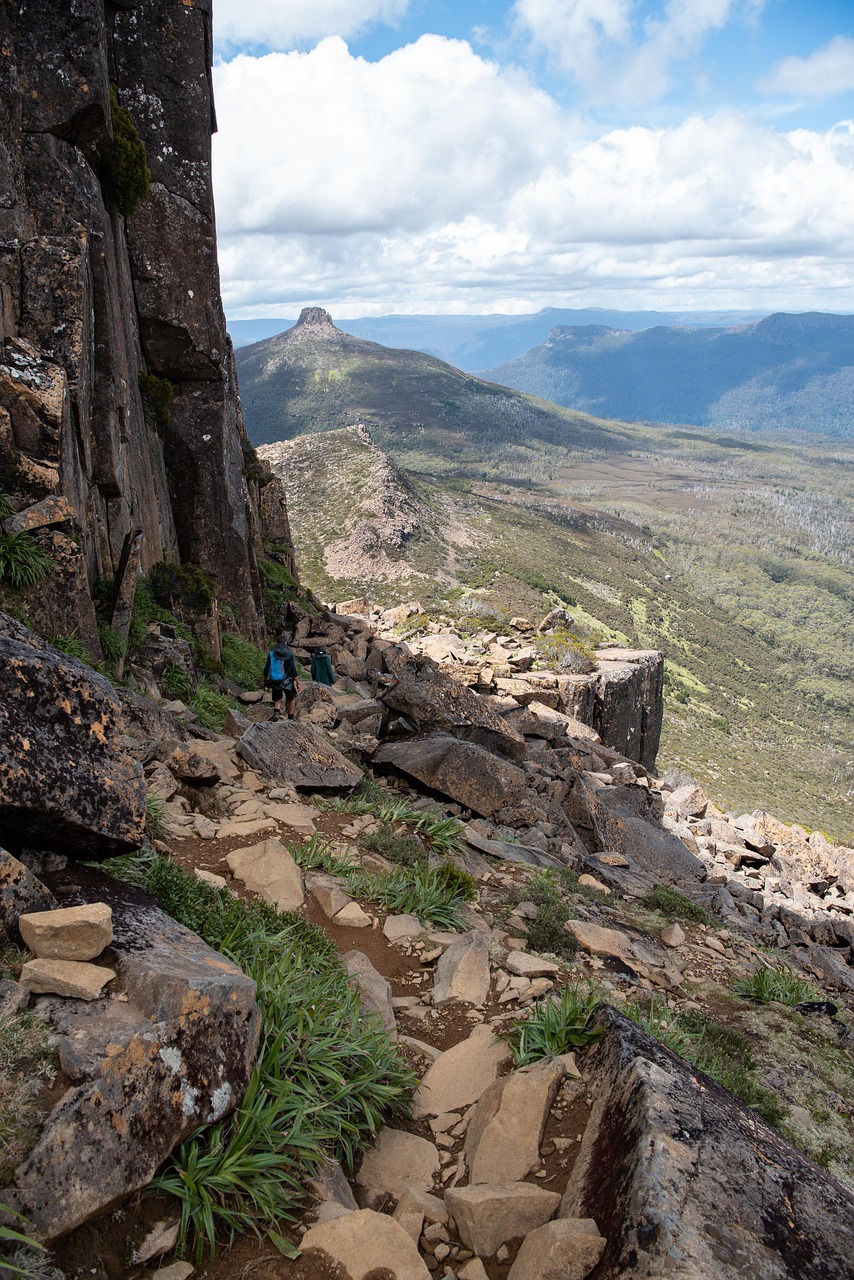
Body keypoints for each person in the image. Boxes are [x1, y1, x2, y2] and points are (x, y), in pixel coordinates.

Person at [263, 634, 299, 722]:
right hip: (286, 679)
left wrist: (265, 679)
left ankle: (276, 713)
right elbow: (293, 668)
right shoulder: (289, 653)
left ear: (277, 642)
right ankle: (290, 718)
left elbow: (266, 668)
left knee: (277, 697)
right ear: (285, 643)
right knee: (291, 698)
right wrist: (297, 681)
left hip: (274, 680)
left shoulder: (271, 653)